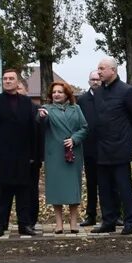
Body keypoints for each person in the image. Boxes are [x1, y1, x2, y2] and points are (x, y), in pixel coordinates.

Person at [0, 68, 41, 237]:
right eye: (5, 78)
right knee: (2, 193)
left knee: (24, 193)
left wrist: (33, 155)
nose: (7, 81)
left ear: (17, 82)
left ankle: (25, 225)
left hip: (23, 156)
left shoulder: (26, 102)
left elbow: (32, 130)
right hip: (1, 157)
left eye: (11, 78)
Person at [91, 57, 132, 235]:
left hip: (120, 148)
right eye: (98, 69)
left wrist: (126, 137)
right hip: (102, 148)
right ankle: (108, 220)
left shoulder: (126, 91)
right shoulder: (98, 93)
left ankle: (130, 222)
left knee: (124, 187)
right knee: (104, 188)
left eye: (102, 68)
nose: (98, 72)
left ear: (113, 70)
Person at [38, 81, 88, 234]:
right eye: (54, 92)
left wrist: (74, 139)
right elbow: (40, 121)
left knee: (73, 188)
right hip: (55, 154)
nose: (56, 94)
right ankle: (58, 224)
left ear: (67, 94)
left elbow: (84, 128)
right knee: (56, 189)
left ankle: (73, 222)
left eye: (60, 92)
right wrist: (42, 116)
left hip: (73, 154)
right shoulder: (46, 109)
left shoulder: (76, 108)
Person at [14, 79, 43, 229]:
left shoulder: (36, 109)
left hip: (32, 158)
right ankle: (17, 221)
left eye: (19, 88)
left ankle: (31, 221)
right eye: (15, 89)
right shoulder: (7, 108)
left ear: (26, 90)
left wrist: (36, 157)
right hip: (12, 159)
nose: (17, 91)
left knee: (31, 191)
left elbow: (40, 135)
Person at [76, 69, 101, 226]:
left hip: (106, 147)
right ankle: (90, 215)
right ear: (89, 81)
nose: (95, 82)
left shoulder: (108, 96)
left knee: (110, 184)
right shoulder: (82, 100)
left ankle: (113, 215)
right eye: (93, 79)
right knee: (91, 183)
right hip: (89, 147)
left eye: (98, 79)